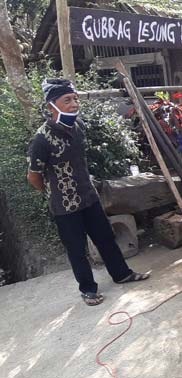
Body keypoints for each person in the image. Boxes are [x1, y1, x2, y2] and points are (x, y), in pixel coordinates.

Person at [27, 79, 150, 306]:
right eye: (67, 100)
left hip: (89, 196)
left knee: (106, 238)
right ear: (52, 106)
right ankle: (88, 289)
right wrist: (54, 192)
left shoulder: (78, 127)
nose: (74, 104)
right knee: (76, 249)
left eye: (75, 99)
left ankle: (122, 274)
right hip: (64, 206)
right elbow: (34, 177)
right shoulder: (41, 139)